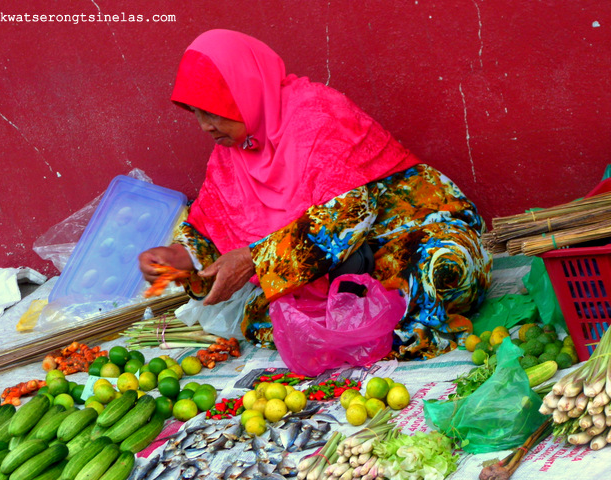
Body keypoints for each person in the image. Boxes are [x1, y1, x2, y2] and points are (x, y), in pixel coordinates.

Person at [139, 29, 492, 360]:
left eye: (213, 110)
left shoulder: (315, 114)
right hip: (343, 272)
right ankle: (365, 325)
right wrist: (179, 257)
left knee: (444, 267)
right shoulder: (231, 153)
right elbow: (214, 228)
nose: (205, 125)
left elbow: (348, 216)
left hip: (409, 236)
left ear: (245, 89)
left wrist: (253, 260)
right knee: (269, 319)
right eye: (196, 113)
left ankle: (372, 324)